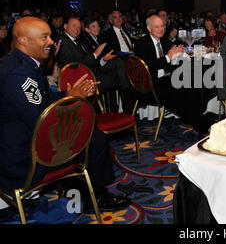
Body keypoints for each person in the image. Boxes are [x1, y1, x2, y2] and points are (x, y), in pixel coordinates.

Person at [0, 17, 130, 212]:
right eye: (44, 37)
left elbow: (44, 98)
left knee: (90, 135)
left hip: (24, 143)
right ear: (23, 40)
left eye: (50, 36)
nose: (51, 42)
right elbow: (44, 121)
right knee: (94, 139)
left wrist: (67, 94)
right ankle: (96, 196)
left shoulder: (21, 63)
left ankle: (79, 191)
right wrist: (73, 101)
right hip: (23, 159)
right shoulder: (19, 73)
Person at [134, 15, 214, 137]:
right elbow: (148, 67)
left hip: (168, 78)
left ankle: (199, 118)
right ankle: (201, 124)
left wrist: (179, 54)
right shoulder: (141, 44)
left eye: (162, 26)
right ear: (149, 29)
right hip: (151, 83)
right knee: (179, 94)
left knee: (193, 83)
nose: (161, 29)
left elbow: (172, 63)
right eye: (157, 26)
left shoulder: (165, 41)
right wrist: (168, 57)